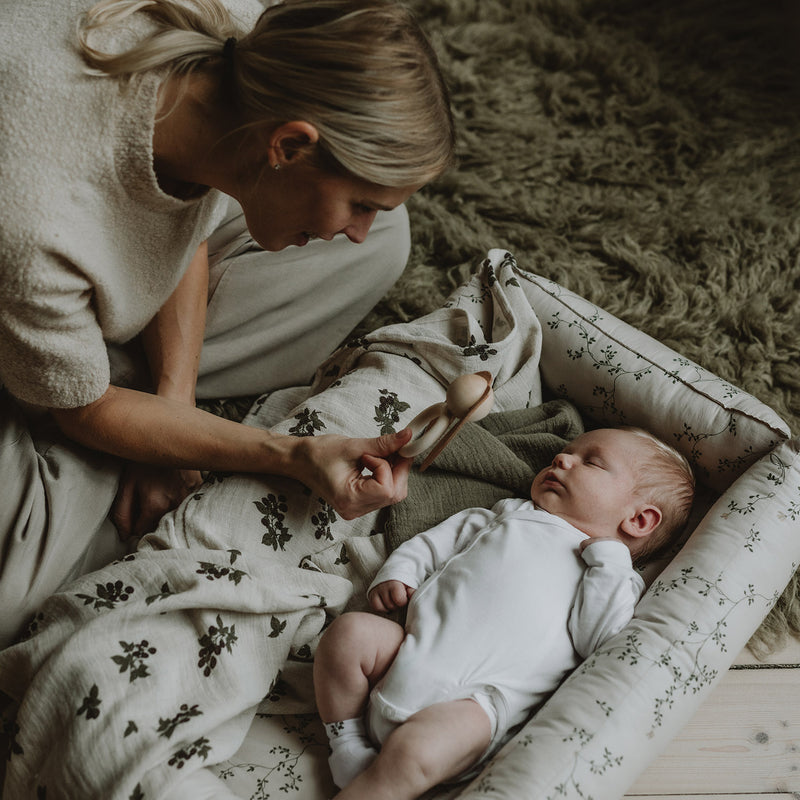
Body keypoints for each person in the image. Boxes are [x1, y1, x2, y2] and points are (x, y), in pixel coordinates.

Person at [0, 0, 455, 647]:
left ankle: (100, 381)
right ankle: (55, 391)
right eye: (358, 202)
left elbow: (183, 209)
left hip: (64, 291)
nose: (355, 229)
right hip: (28, 279)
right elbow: (84, 410)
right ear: (291, 145)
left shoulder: (244, 36)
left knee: (388, 241)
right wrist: (291, 454)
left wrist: (172, 405)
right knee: (13, 596)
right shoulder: (39, 218)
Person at [313, 426, 695, 800]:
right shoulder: (508, 514)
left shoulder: (617, 580)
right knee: (350, 634)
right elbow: (434, 543)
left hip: (476, 704)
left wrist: (610, 560)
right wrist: (400, 572)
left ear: (639, 520)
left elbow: (599, 642)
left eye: (591, 462)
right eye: (564, 454)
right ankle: (345, 741)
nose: (562, 457)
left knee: (416, 753)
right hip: (404, 652)